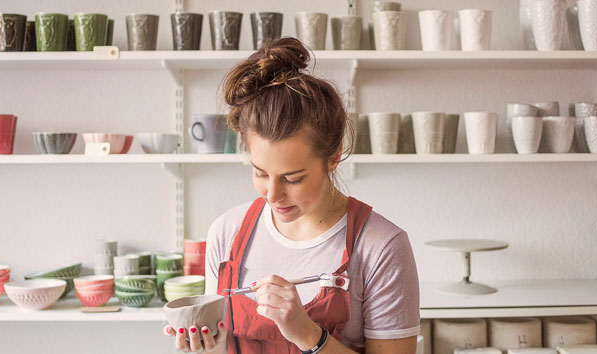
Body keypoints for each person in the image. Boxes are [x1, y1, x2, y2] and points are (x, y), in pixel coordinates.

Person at [164, 37, 420, 354]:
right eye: (260, 173)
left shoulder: (382, 246)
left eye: (293, 178)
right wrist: (202, 344)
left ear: (333, 156)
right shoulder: (226, 233)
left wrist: (307, 334)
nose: (273, 195)